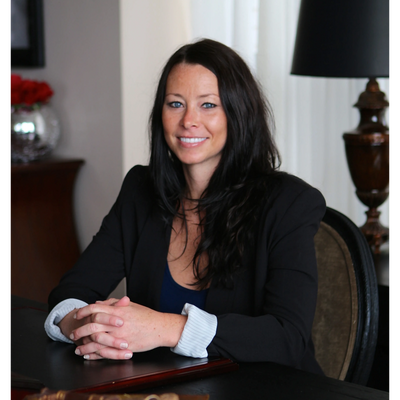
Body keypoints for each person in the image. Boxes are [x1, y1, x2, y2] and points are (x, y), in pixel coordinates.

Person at [45, 38, 326, 375]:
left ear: (238, 113)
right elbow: (71, 293)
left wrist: (164, 327)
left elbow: (287, 338)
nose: (188, 120)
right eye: (175, 104)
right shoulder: (140, 190)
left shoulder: (289, 203)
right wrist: (92, 325)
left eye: (208, 105)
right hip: (168, 390)